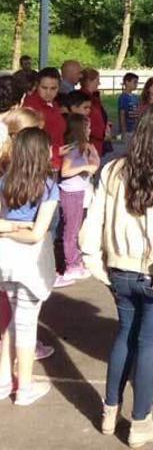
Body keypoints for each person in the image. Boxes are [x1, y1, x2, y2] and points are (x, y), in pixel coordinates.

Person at [79, 103, 153, 447]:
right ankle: (140, 422)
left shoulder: (113, 170)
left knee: (125, 335)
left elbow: (93, 219)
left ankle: (110, 411)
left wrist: (94, 261)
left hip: (120, 269)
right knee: (149, 345)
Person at [0, 128, 60, 406]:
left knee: (12, 321)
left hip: (5, 260)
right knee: (25, 324)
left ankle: (3, 381)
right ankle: (24, 387)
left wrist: (8, 228)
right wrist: (22, 227)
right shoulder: (48, 187)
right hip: (31, 262)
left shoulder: (4, 182)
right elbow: (37, 233)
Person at [54, 114, 100, 288]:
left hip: (79, 191)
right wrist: (84, 167)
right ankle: (71, 265)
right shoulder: (72, 149)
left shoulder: (81, 147)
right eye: (87, 127)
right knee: (71, 230)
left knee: (75, 228)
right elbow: (65, 171)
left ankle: (75, 260)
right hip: (71, 193)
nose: (90, 130)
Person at [23, 68, 65, 171]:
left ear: (59, 87)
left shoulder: (53, 104)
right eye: (44, 88)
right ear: (37, 85)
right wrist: (56, 151)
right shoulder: (30, 106)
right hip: (39, 165)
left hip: (56, 162)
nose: (48, 92)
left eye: (53, 88)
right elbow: (28, 140)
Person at [79, 68, 110, 156]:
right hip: (92, 140)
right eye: (97, 80)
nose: (99, 83)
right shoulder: (84, 98)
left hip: (97, 140)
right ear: (89, 81)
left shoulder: (93, 97)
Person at [118, 72, 140, 138]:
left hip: (135, 129)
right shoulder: (123, 97)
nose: (136, 84)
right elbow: (122, 115)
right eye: (135, 82)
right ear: (127, 82)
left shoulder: (135, 97)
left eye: (137, 82)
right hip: (128, 130)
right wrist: (123, 131)